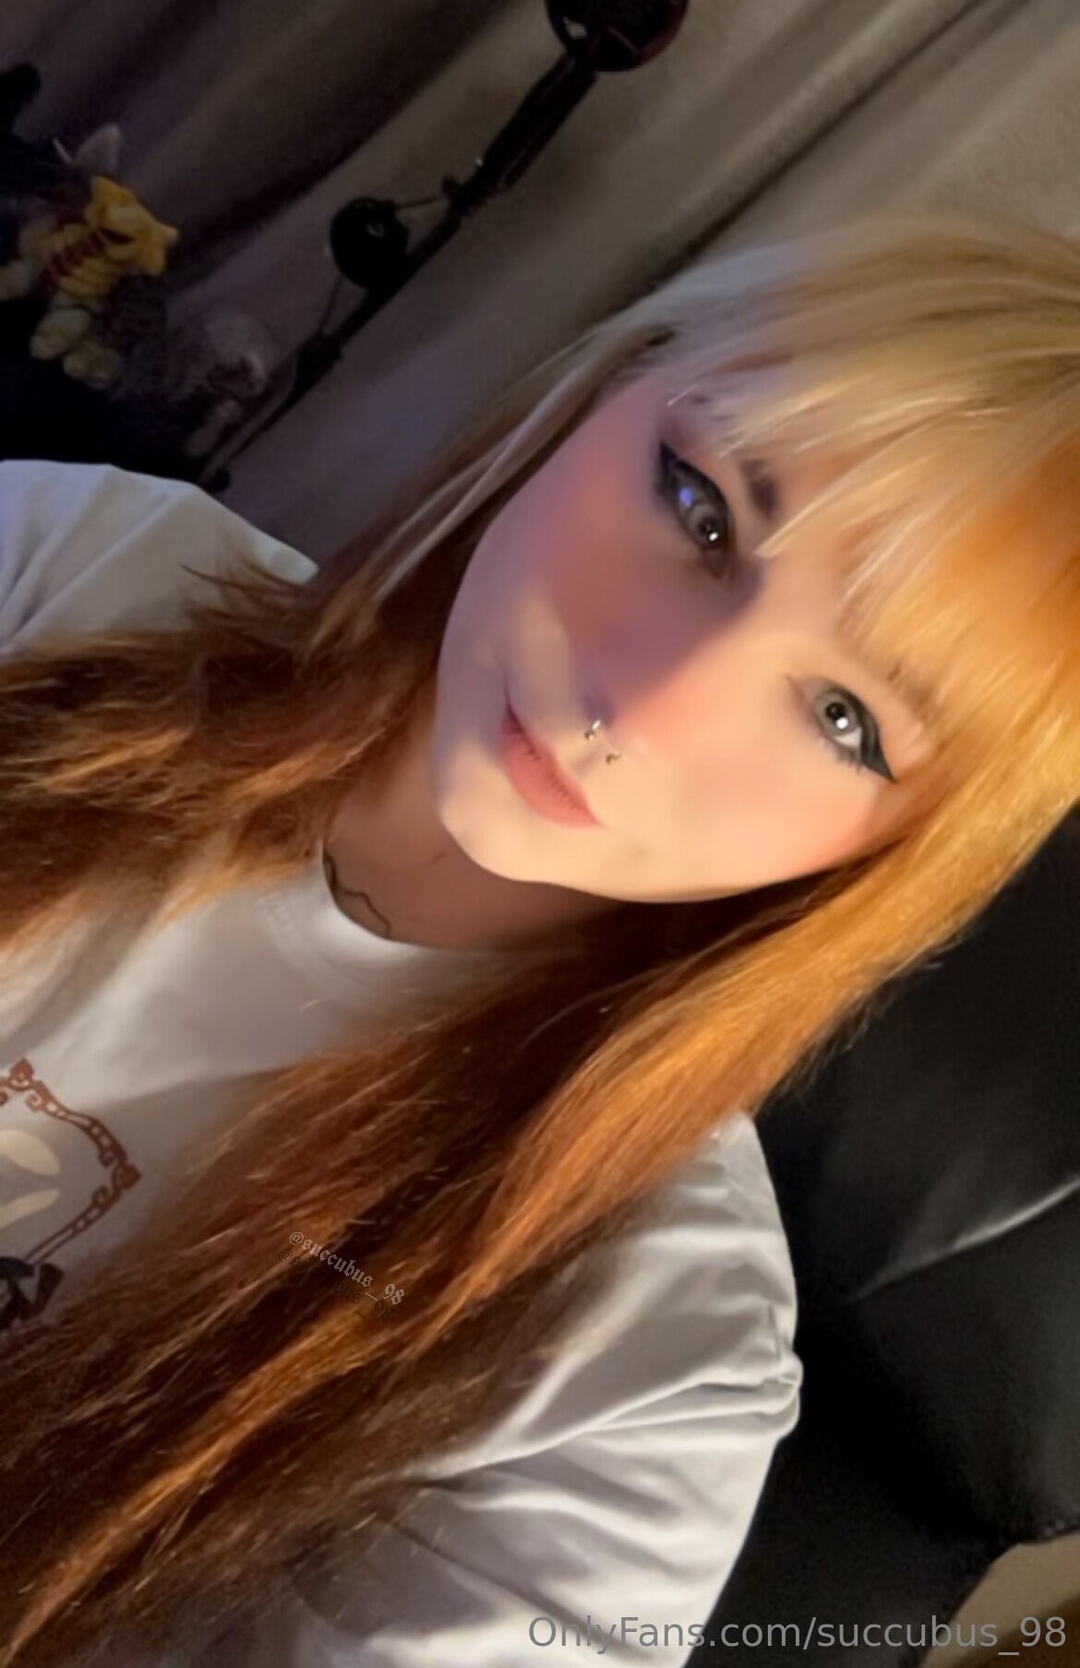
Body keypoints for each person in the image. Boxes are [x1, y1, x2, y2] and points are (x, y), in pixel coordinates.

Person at [0, 210, 1076, 1668]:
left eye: (845, 720)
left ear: (906, 853)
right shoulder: (72, 575)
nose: (640, 704)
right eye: (702, 509)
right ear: (597, 397)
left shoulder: (639, 1374)